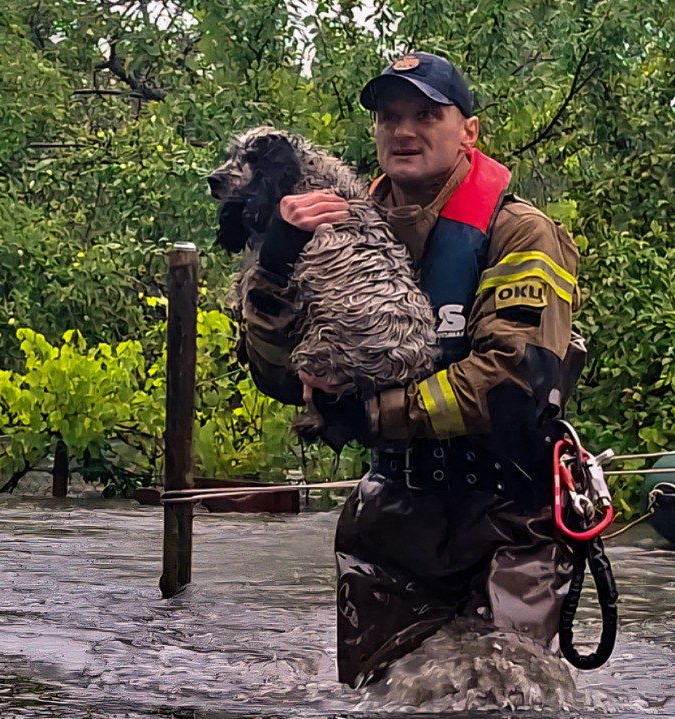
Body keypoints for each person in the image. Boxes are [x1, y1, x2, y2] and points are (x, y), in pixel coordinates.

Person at [235, 51, 587, 688]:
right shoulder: (326, 229)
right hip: (391, 516)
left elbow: (511, 384)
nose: (404, 130)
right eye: (389, 116)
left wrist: (365, 414)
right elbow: (277, 378)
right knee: (384, 697)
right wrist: (276, 267)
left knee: (500, 692)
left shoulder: (520, 233)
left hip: (508, 514)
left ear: (468, 132)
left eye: (427, 114)